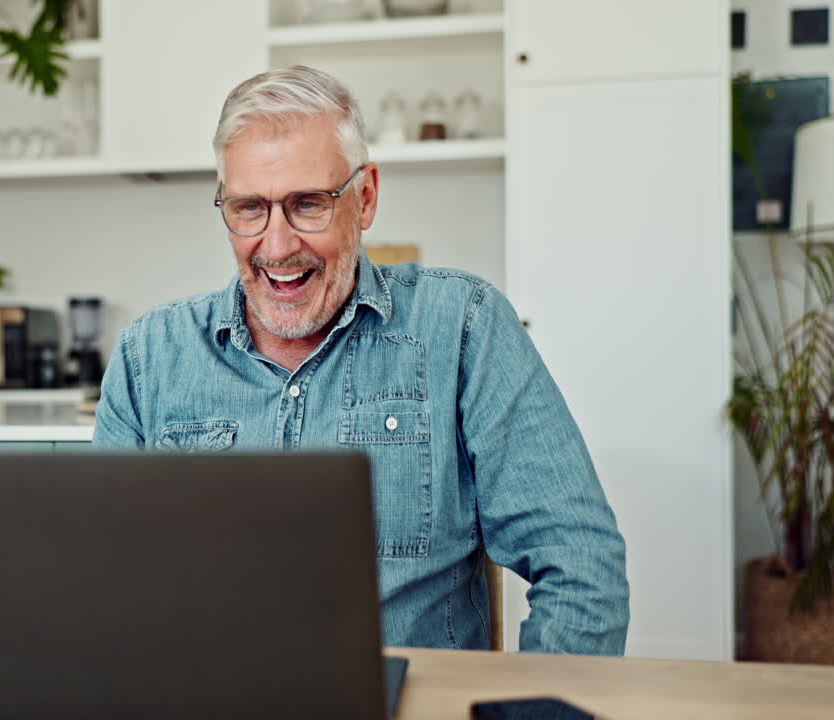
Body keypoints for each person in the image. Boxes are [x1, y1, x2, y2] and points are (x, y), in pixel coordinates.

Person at [92, 66, 629, 655]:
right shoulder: (150, 355)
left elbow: (579, 565)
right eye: (249, 209)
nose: (276, 246)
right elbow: (104, 587)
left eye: (308, 204)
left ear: (365, 196)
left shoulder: (462, 326)